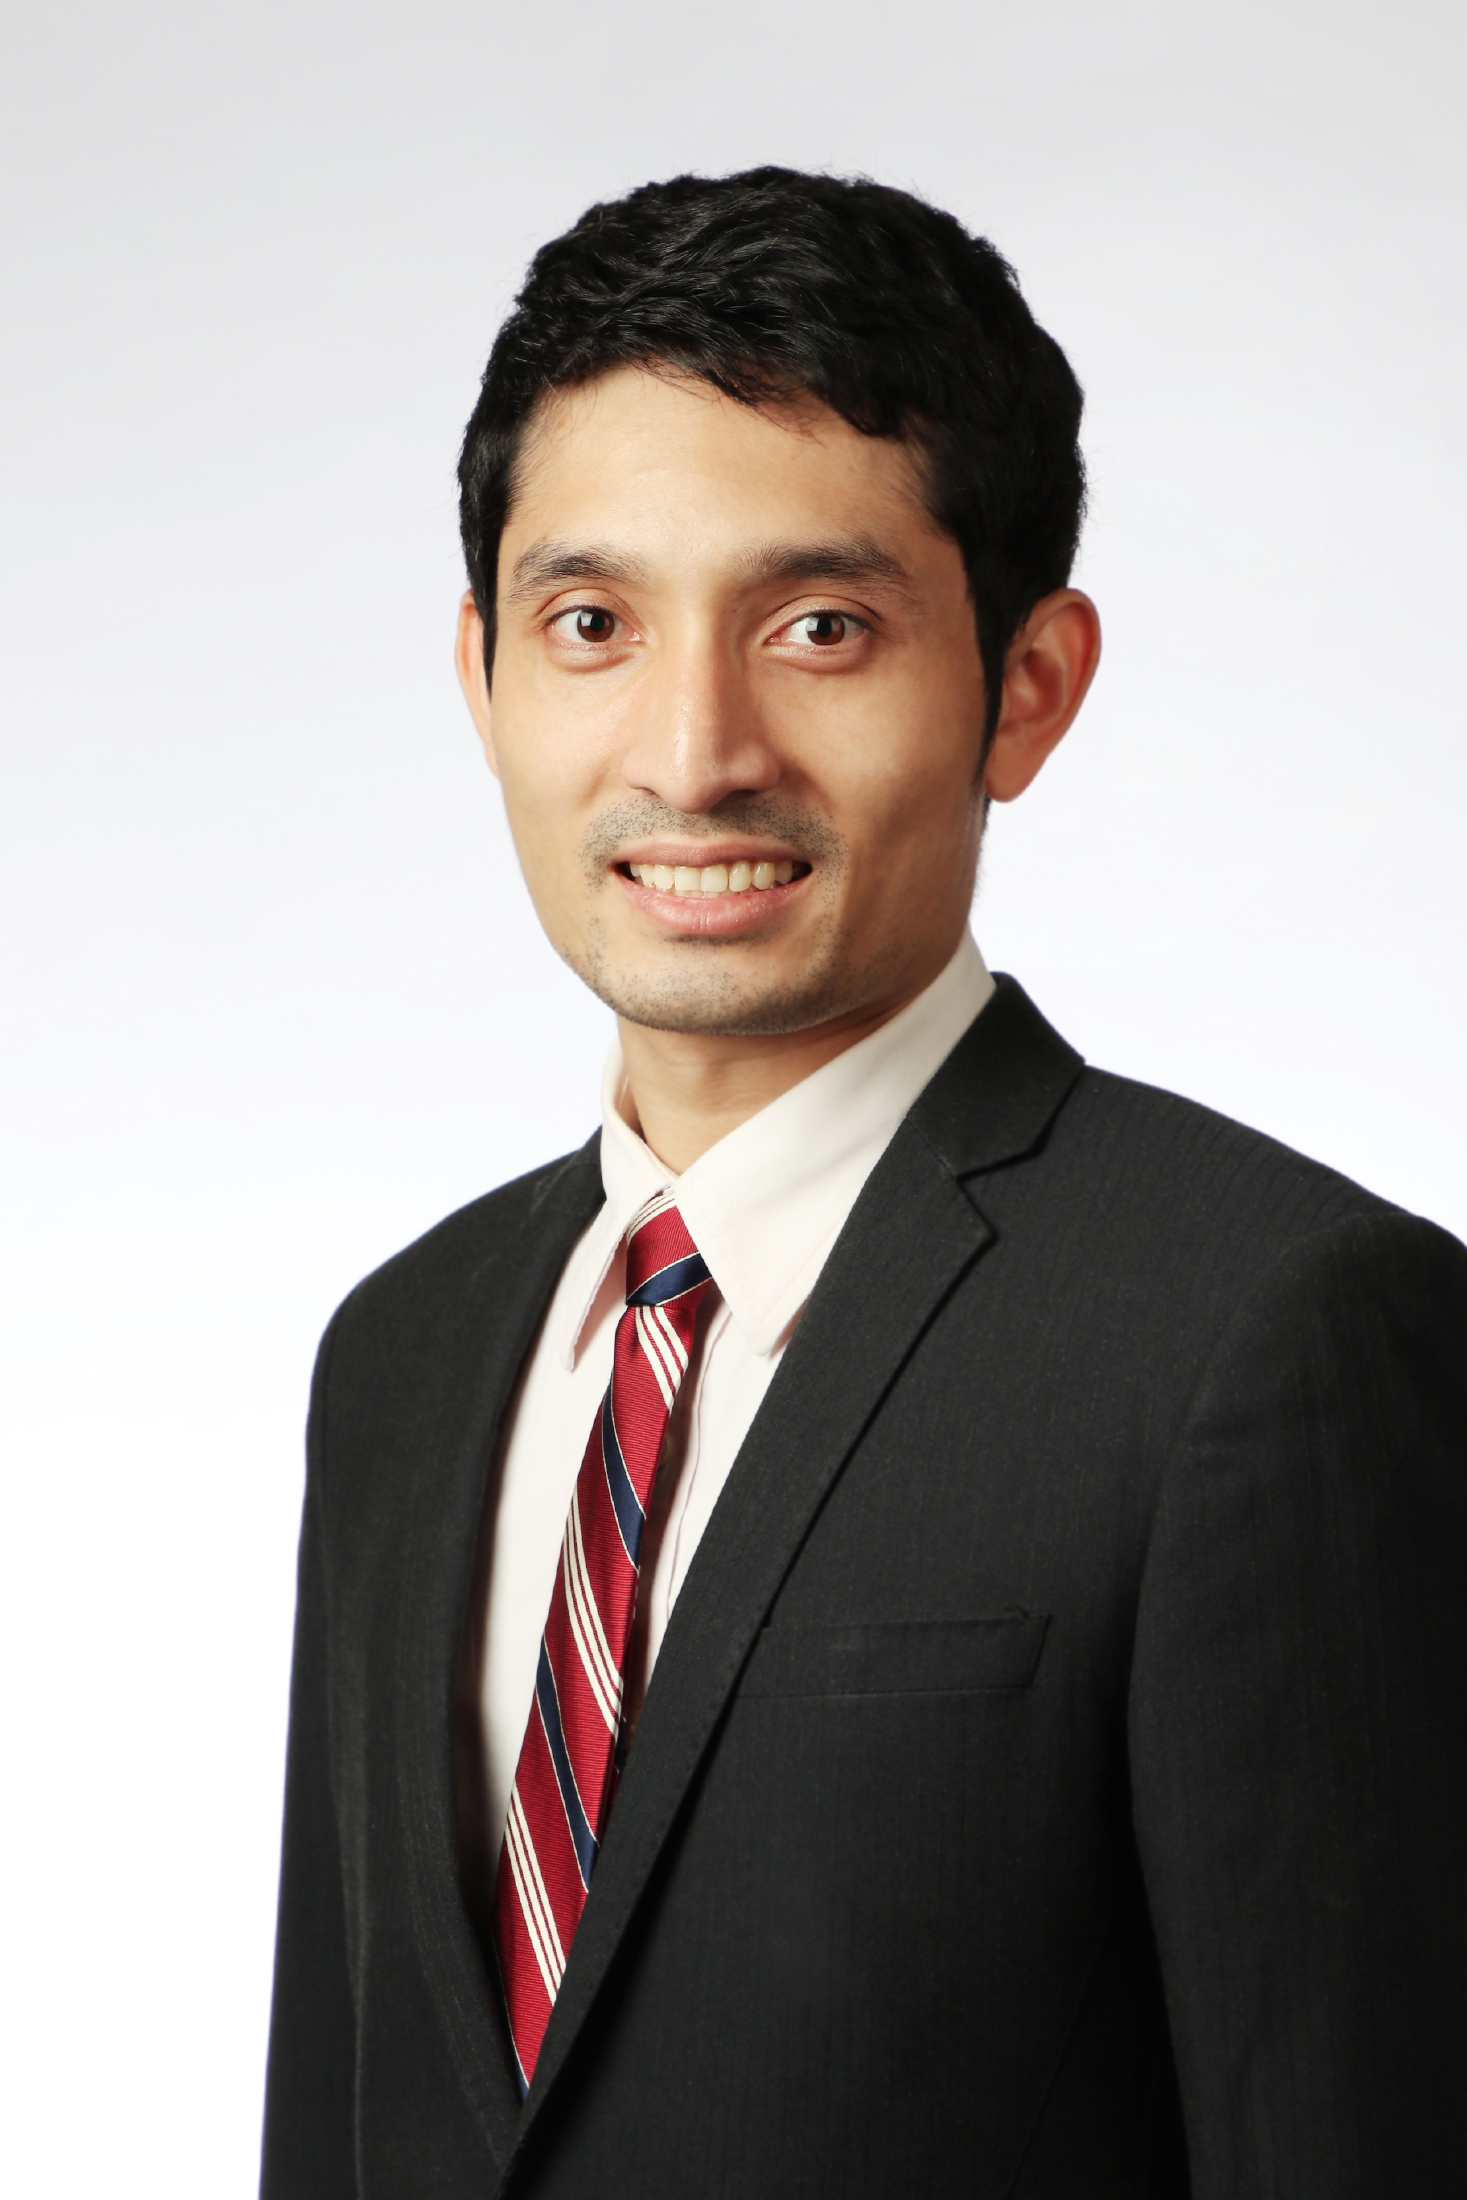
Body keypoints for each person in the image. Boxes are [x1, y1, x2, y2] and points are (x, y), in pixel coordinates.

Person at [259, 168, 1467, 2199]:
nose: (693, 751)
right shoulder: (401, 1351)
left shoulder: (1270, 1334)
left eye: (819, 627)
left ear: (1026, 685)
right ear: (482, 678)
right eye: (591, 625)